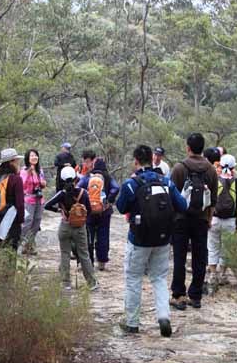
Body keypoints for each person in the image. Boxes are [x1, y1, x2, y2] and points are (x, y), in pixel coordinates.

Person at [116, 145, 187, 336]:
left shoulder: (132, 184)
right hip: (163, 239)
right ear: (152, 159)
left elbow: (121, 208)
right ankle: (164, 316)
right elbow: (182, 205)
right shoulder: (166, 182)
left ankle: (132, 322)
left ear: (136, 161)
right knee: (159, 278)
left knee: (133, 278)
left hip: (138, 239)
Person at [169, 133, 219, 310]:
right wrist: (209, 218)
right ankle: (196, 295)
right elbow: (213, 199)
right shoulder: (211, 170)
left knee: (180, 257)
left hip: (181, 219)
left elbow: (171, 197)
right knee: (200, 257)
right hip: (201, 219)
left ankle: (178, 294)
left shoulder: (179, 168)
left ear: (188, 147)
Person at [44, 166, 98, 291]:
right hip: (80, 228)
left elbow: (47, 205)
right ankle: (91, 283)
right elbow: (89, 211)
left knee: (65, 254)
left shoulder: (61, 194)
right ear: (75, 178)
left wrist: (59, 210)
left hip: (65, 226)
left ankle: (66, 283)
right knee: (84, 254)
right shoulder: (83, 193)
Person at [205, 153, 237, 292]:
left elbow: (209, 200)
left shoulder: (214, 180)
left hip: (214, 219)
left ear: (220, 165)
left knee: (212, 246)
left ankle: (212, 275)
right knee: (226, 248)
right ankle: (222, 275)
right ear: (234, 167)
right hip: (230, 221)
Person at [77, 153, 120, 271]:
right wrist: (108, 201)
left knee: (88, 236)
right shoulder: (107, 177)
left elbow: (78, 188)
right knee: (103, 236)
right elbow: (116, 188)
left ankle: (88, 262)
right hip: (104, 212)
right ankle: (102, 262)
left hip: (89, 212)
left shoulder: (87, 177)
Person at [0, 148, 25, 250]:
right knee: (10, 250)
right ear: (12, 162)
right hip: (10, 220)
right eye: (16, 160)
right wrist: (20, 220)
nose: (18, 162)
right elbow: (20, 204)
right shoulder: (16, 179)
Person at [20, 149, 47, 255]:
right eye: (32, 156)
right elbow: (22, 185)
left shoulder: (40, 170)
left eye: (36, 155)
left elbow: (43, 183)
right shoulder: (23, 170)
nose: (34, 157)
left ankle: (29, 246)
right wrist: (28, 173)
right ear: (27, 158)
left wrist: (43, 183)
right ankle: (19, 242)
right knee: (28, 221)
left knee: (37, 222)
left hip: (39, 199)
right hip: (28, 199)